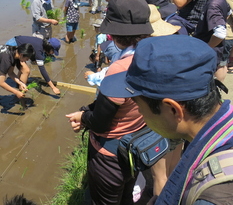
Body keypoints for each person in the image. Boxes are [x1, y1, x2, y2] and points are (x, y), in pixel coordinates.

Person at [100, 35, 233, 205]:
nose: (141, 113)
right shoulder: (220, 128)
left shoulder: (213, 197)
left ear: (172, 109)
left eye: (138, 105)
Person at [66, 0, 154, 205]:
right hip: (136, 142)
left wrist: (82, 116)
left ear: (114, 34)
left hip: (110, 154)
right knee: (126, 195)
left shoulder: (119, 68)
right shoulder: (152, 55)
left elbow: (100, 121)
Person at [193, 0, 230, 82]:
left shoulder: (213, 5)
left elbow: (220, 33)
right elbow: (228, 12)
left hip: (209, 54)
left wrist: (207, 48)